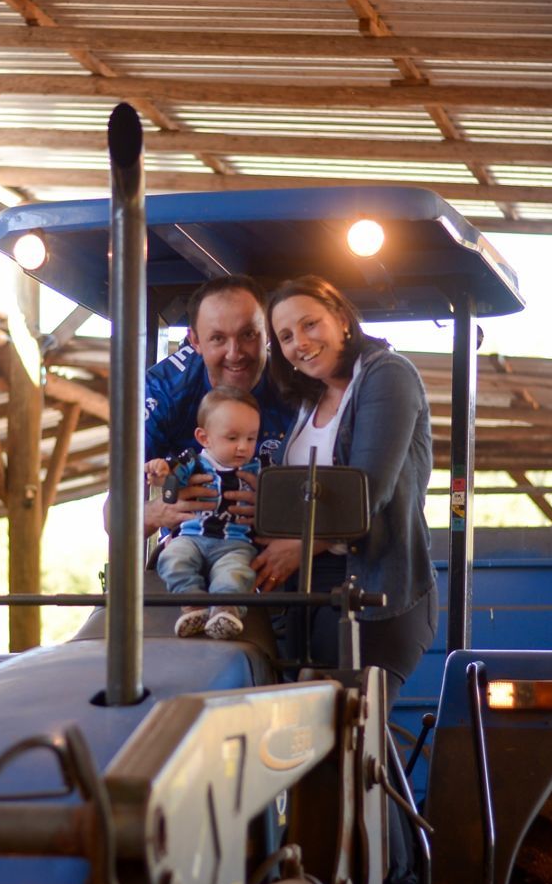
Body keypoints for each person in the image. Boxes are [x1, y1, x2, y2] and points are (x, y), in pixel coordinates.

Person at [251, 275, 439, 683]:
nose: (298, 342)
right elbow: (304, 494)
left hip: (374, 589)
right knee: (314, 734)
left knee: (347, 727)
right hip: (307, 597)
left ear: (341, 319)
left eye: (309, 324)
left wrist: (302, 545)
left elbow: (369, 489)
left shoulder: (387, 374)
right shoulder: (310, 398)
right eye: (284, 336)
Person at [138, 275, 293, 536]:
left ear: (268, 331)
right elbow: (114, 517)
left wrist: (280, 511)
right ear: (195, 341)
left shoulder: (302, 382)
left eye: (248, 334)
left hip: (281, 552)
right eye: (218, 338)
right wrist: (158, 511)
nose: (235, 353)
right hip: (191, 551)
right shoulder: (160, 390)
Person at [147, 387, 264, 639]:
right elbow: (171, 483)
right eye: (232, 438)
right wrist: (162, 475)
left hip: (235, 543)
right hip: (192, 537)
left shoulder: (259, 470)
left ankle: (225, 610)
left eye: (251, 438)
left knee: (237, 572)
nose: (243, 447)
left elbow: (277, 499)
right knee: (172, 558)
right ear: (204, 438)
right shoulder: (193, 462)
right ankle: (193, 604)